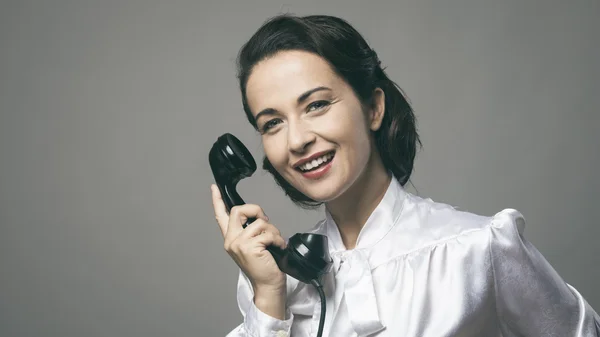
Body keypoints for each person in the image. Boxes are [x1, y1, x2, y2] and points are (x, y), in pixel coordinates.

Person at [210, 14, 600, 337]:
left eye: (316, 105)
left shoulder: (477, 250)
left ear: (374, 108)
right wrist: (268, 297)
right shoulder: (276, 284)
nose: (296, 140)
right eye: (273, 123)